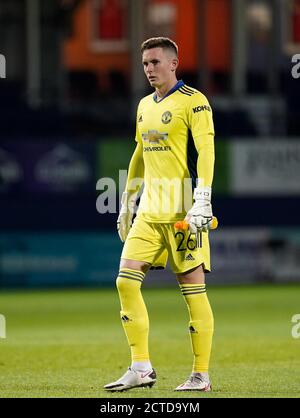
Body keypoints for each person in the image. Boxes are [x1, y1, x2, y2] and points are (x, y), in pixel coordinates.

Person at [104, 37, 215, 392]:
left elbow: (207, 150)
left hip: (183, 211)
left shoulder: (194, 102)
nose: (149, 69)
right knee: (125, 280)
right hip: (150, 213)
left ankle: (200, 375)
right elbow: (140, 153)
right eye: (145, 64)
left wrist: (203, 198)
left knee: (193, 292)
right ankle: (141, 367)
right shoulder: (143, 105)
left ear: (173, 62)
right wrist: (127, 199)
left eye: (155, 62)